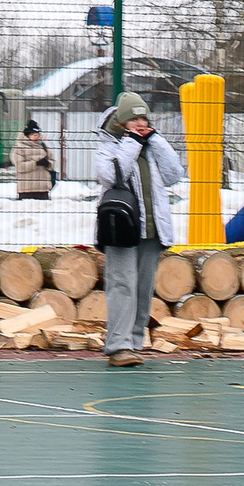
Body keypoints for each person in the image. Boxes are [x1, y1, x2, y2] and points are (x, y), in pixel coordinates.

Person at [92, 91, 184, 367]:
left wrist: (154, 140)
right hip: (120, 229)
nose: (140, 122)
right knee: (122, 285)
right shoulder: (107, 144)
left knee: (143, 288)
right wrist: (132, 143)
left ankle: (134, 343)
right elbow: (112, 175)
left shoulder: (150, 144)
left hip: (152, 228)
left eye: (143, 117)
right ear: (122, 121)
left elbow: (174, 175)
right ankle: (118, 347)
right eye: (134, 118)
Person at [13, 117, 55, 199]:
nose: (36, 137)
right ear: (27, 135)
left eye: (37, 134)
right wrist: (36, 163)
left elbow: (52, 163)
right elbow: (20, 166)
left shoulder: (44, 146)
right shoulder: (19, 148)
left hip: (43, 189)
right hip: (26, 190)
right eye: (33, 135)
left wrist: (48, 164)